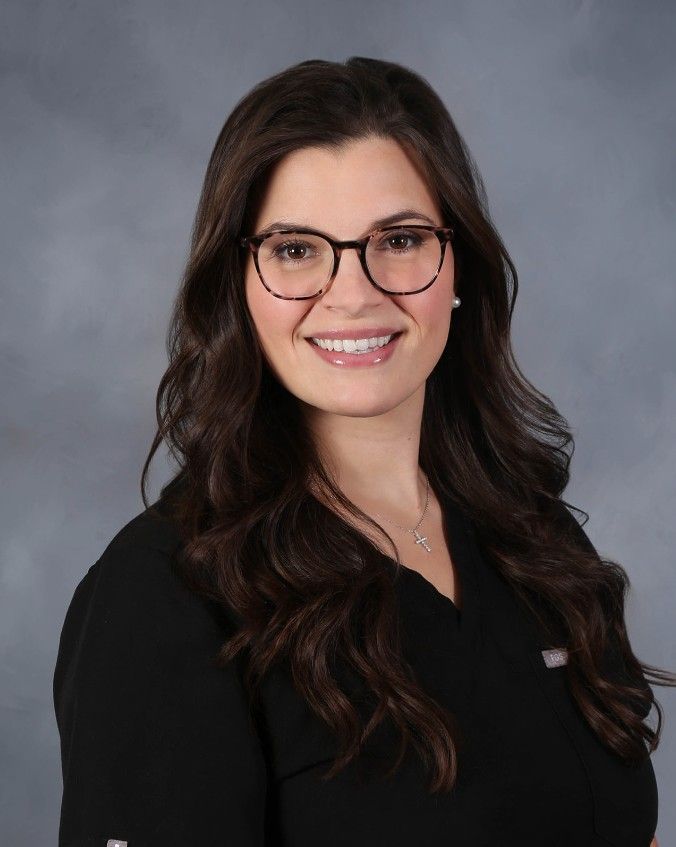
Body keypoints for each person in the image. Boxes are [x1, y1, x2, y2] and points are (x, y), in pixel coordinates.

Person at [53, 57, 672, 847]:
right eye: (296, 250)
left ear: (458, 268)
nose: (353, 292)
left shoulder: (535, 541)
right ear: (238, 281)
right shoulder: (166, 596)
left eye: (401, 239)